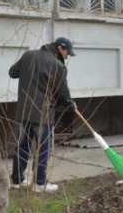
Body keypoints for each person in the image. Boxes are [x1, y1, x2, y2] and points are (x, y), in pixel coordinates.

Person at [9, 37, 76, 193]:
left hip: (25, 111)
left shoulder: (28, 55)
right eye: (67, 53)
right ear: (60, 48)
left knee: (23, 146)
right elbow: (62, 92)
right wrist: (70, 104)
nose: (67, 57)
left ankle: (17, 181)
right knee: (43, 148)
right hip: (43, 114)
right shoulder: (57, 65)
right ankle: (40, 184)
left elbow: (12, 73)